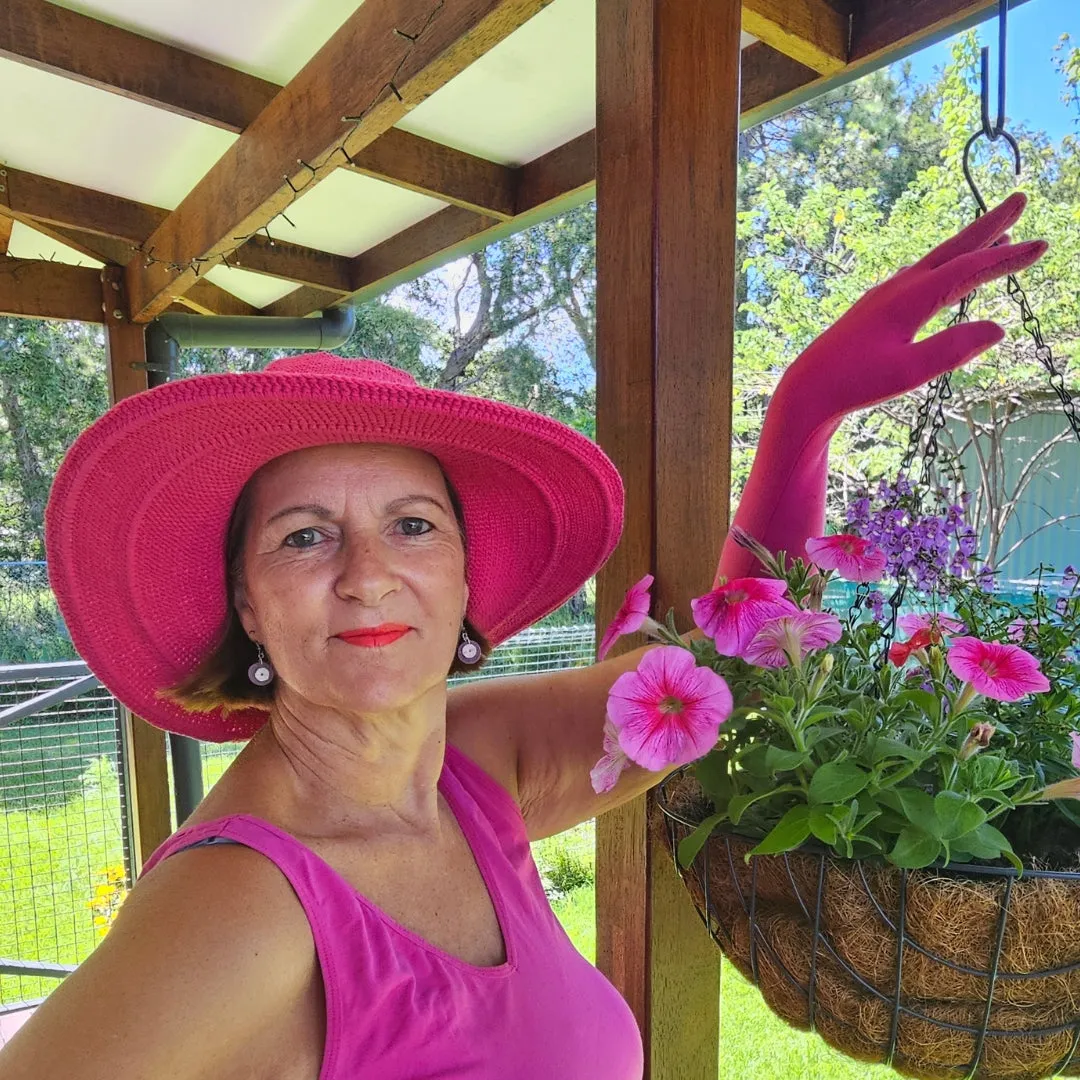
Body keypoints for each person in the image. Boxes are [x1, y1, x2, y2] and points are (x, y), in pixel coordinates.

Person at [0, 193, 1045, 1080]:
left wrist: (800, 419)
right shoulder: (245, 904)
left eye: (412, 525)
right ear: (247, 605)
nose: (368, 575)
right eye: (305, 537)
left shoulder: (468, 772)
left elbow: (721, 682)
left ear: (463, 577)